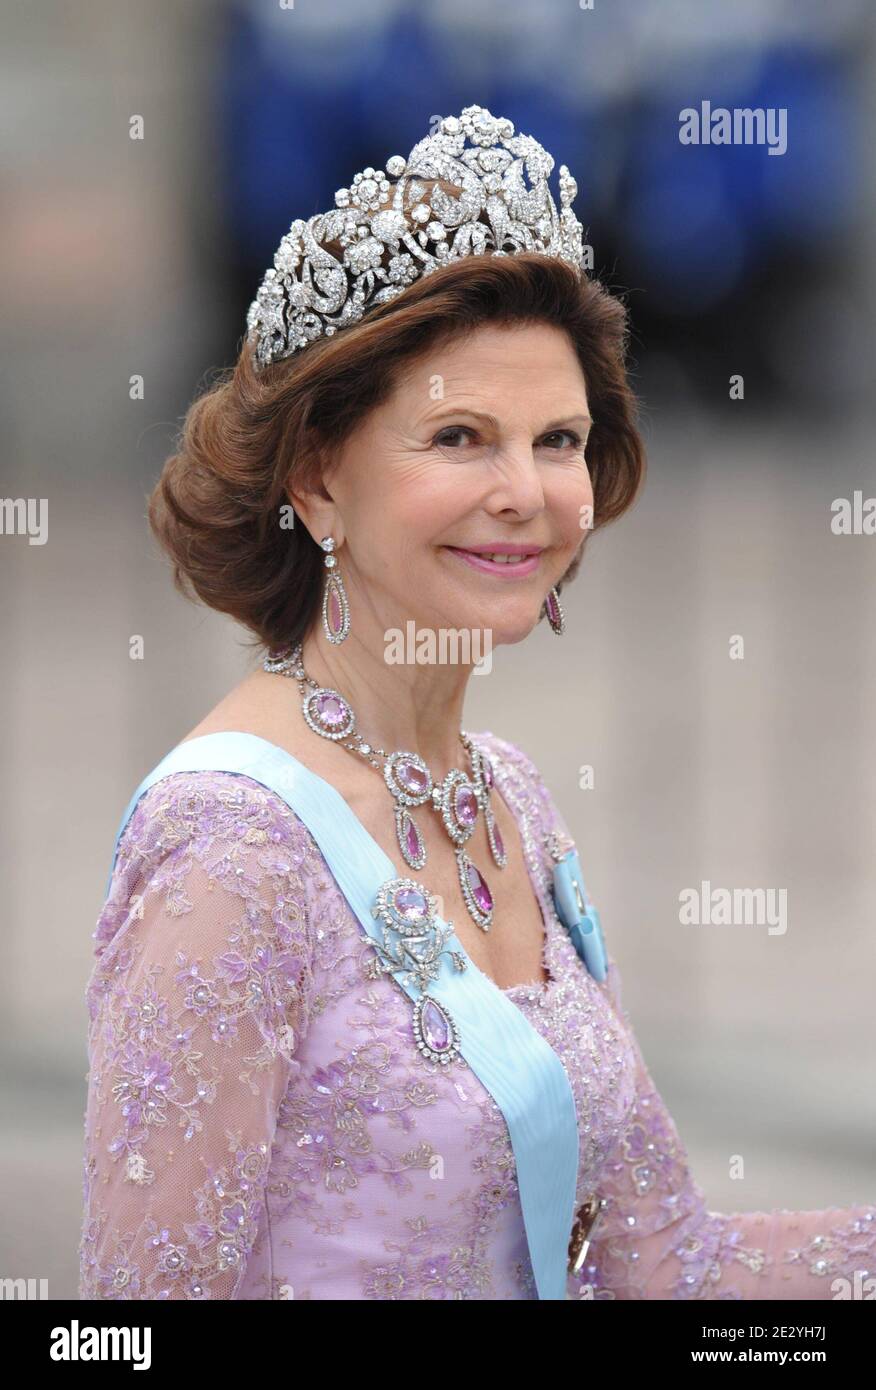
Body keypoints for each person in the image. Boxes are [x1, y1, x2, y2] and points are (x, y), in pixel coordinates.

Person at [78, 105, 875, 1301]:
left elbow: (671, 1277)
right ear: (316, 475)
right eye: (460, 437)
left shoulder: (510, 797)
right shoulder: (231, 851)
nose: (525, 492)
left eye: (557, 440)